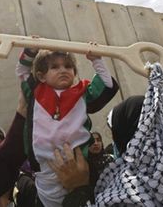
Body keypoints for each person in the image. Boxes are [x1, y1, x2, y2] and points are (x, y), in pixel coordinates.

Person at [16, 48, 119, 206]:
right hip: (45, 168)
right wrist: (30, 51)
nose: (63, 70)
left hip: (78, 165)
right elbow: (22, 70)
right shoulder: (35, 92)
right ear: (41, 76)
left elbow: (107, 84)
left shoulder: (82, 94)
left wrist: (96, 60)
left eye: (68, 66)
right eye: (55, 67)